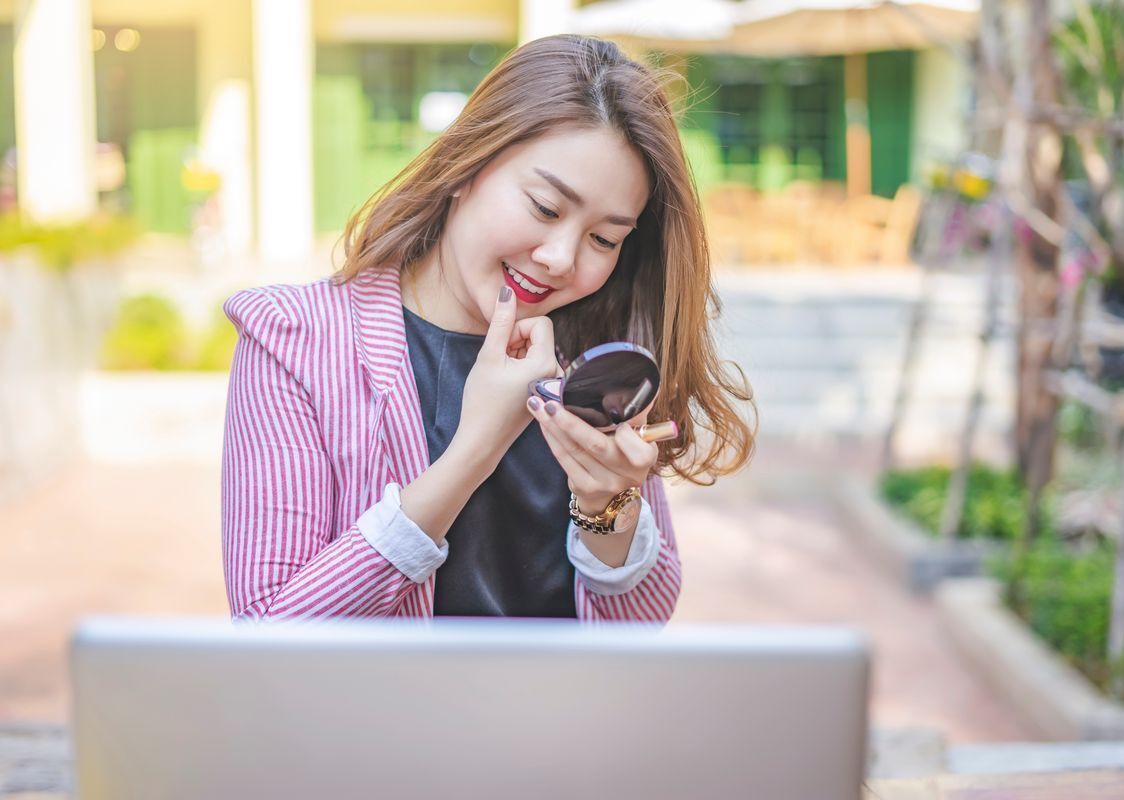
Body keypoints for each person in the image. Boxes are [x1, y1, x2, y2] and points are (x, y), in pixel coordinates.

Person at [221, 34, 754, 623]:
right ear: (465, 166)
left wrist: (606, 506)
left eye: (604, 238)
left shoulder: (596, 357)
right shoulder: (293, 339)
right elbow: (269, 632)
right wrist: (476, 447)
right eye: (545, 208)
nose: (560, 258)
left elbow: (641, 625)